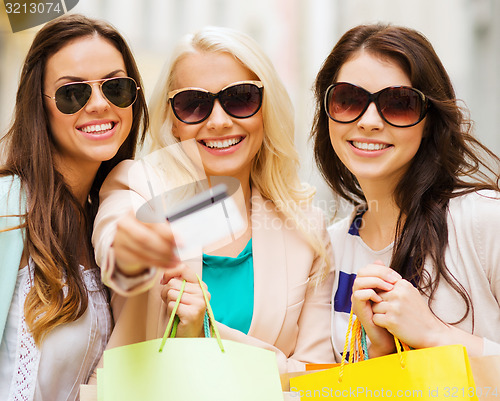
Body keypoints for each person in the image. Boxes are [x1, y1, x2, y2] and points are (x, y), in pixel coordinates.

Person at [91, 26, 335, 373]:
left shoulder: (306, 227)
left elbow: (317, 375)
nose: (219, 122)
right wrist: (135, 251)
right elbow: (115, 247)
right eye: (194, 105)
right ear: (173, 120)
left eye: (240, 98)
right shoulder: (139, 185)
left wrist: (208, 335)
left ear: (266, 110)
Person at [312, 23, 500, 362]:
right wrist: (382, 351)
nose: (369, 121)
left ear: (429, 121)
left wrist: (434, 333)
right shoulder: (329, 250)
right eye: (348, 100)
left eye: (399, 103)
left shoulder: (485, 222)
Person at [0, 13, 148, 400]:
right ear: (40, 105)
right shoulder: (7, 207)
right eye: (73, 93)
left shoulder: (104, 221)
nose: (99, 105)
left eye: (115, 88)